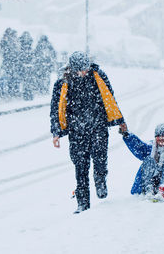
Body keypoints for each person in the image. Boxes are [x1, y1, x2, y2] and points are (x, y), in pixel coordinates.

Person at [50, 51, 126, 214]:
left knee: (100, 158)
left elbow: (110, 99)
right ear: (72, 68)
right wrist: (56, 132)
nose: (84, 72)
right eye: (80, 70)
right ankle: (82, 203)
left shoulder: (98, 77)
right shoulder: (62, 83)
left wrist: (120, 120)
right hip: (76, 132)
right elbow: (56, 110)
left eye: (86, 69)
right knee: (80, 167)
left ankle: (100, 179)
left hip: (98, 126)